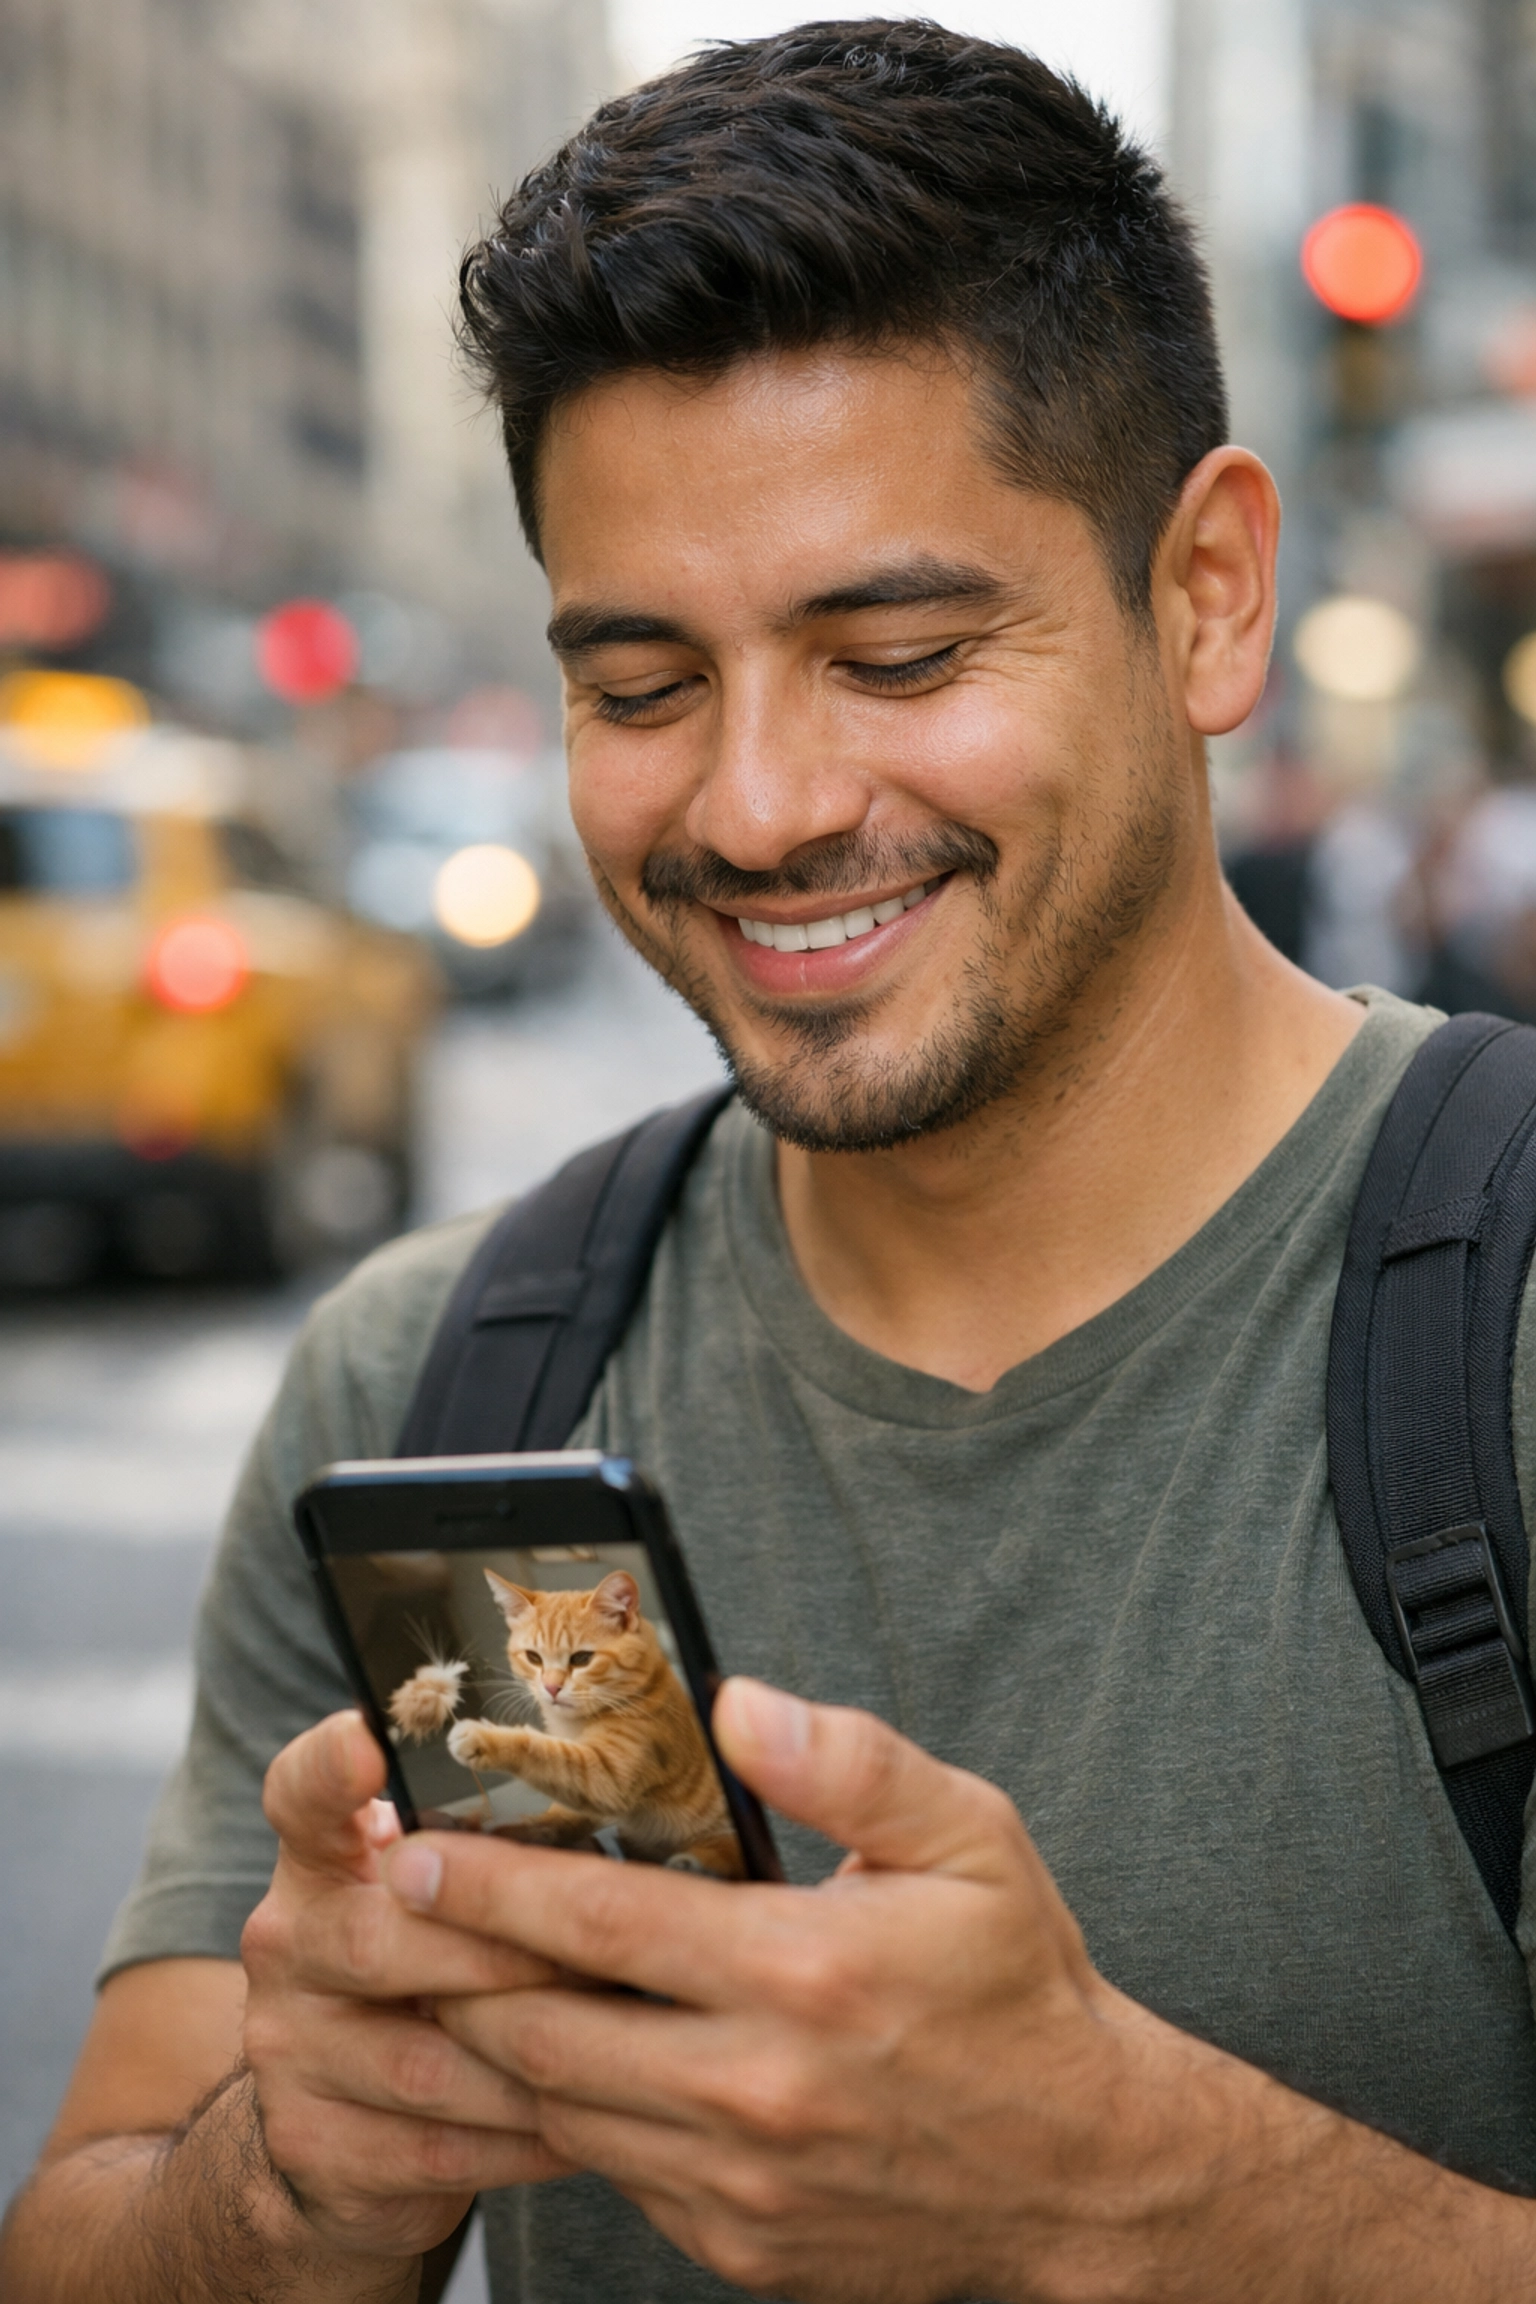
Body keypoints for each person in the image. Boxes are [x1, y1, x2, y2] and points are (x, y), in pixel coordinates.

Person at [6, 20, 1536, 2301]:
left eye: (897, 654)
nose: (752, 806)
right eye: (637, 688)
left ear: (1206, 595)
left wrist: (1130, 2182)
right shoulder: (444, 1381)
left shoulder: (1497, 1330)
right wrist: (303, 2168)